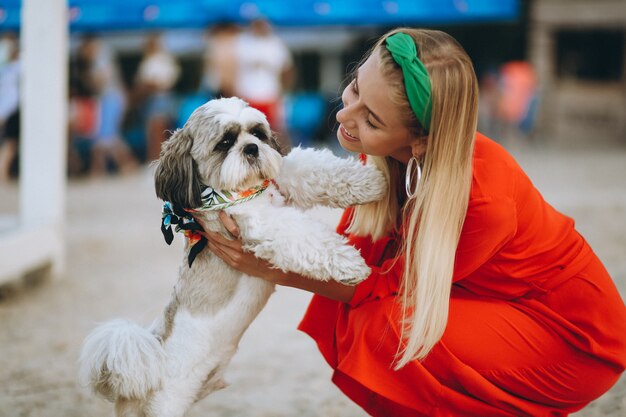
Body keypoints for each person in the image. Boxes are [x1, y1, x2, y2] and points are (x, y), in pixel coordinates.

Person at [198, 28, 626, 417]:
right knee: (351, 304)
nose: (346, 117)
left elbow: (379, 287)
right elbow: (351, 255)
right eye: (353, 89)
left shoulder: (481, 196)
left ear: (420, 139)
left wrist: (268, 266)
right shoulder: (391, 155)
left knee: (386, 327)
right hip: (501, 304)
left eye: (372, 120)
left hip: (572, 336)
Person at [233, 18, 294, 150]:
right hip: (247, 95)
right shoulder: (242, 43)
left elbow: (287, 70)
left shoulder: (276, 44)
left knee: (277, 131)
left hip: (271, 95)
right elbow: (234, 70)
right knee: (246, 131)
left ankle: (284, 157)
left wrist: (285, 92)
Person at [134, 33, 180, 161]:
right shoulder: (147, 61)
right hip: (150, 100)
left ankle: (160, 158)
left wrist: (152, 85)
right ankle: (153, 158)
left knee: (159, 130)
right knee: (151, 131)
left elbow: (166, 83)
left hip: (161, 98)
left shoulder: (163, 60)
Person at [0, 33, 20, 182]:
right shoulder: (15, 66)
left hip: (8, 109)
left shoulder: (9, 67)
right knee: (10, 143)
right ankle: (2, 173)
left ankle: (3, 172)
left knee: (10, 143)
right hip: (11, 109)